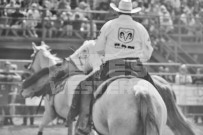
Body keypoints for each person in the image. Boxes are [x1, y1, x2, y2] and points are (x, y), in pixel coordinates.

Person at [48, 0, 154, 134]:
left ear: (117, 11)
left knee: (85, 86)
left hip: (112, 66)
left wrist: (111, 52)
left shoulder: (109, 25)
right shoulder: (141, 28)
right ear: (132, 13)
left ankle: (84, 124)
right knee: (154, 88)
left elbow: (98, 48)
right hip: (136, 67)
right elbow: (148, 53)